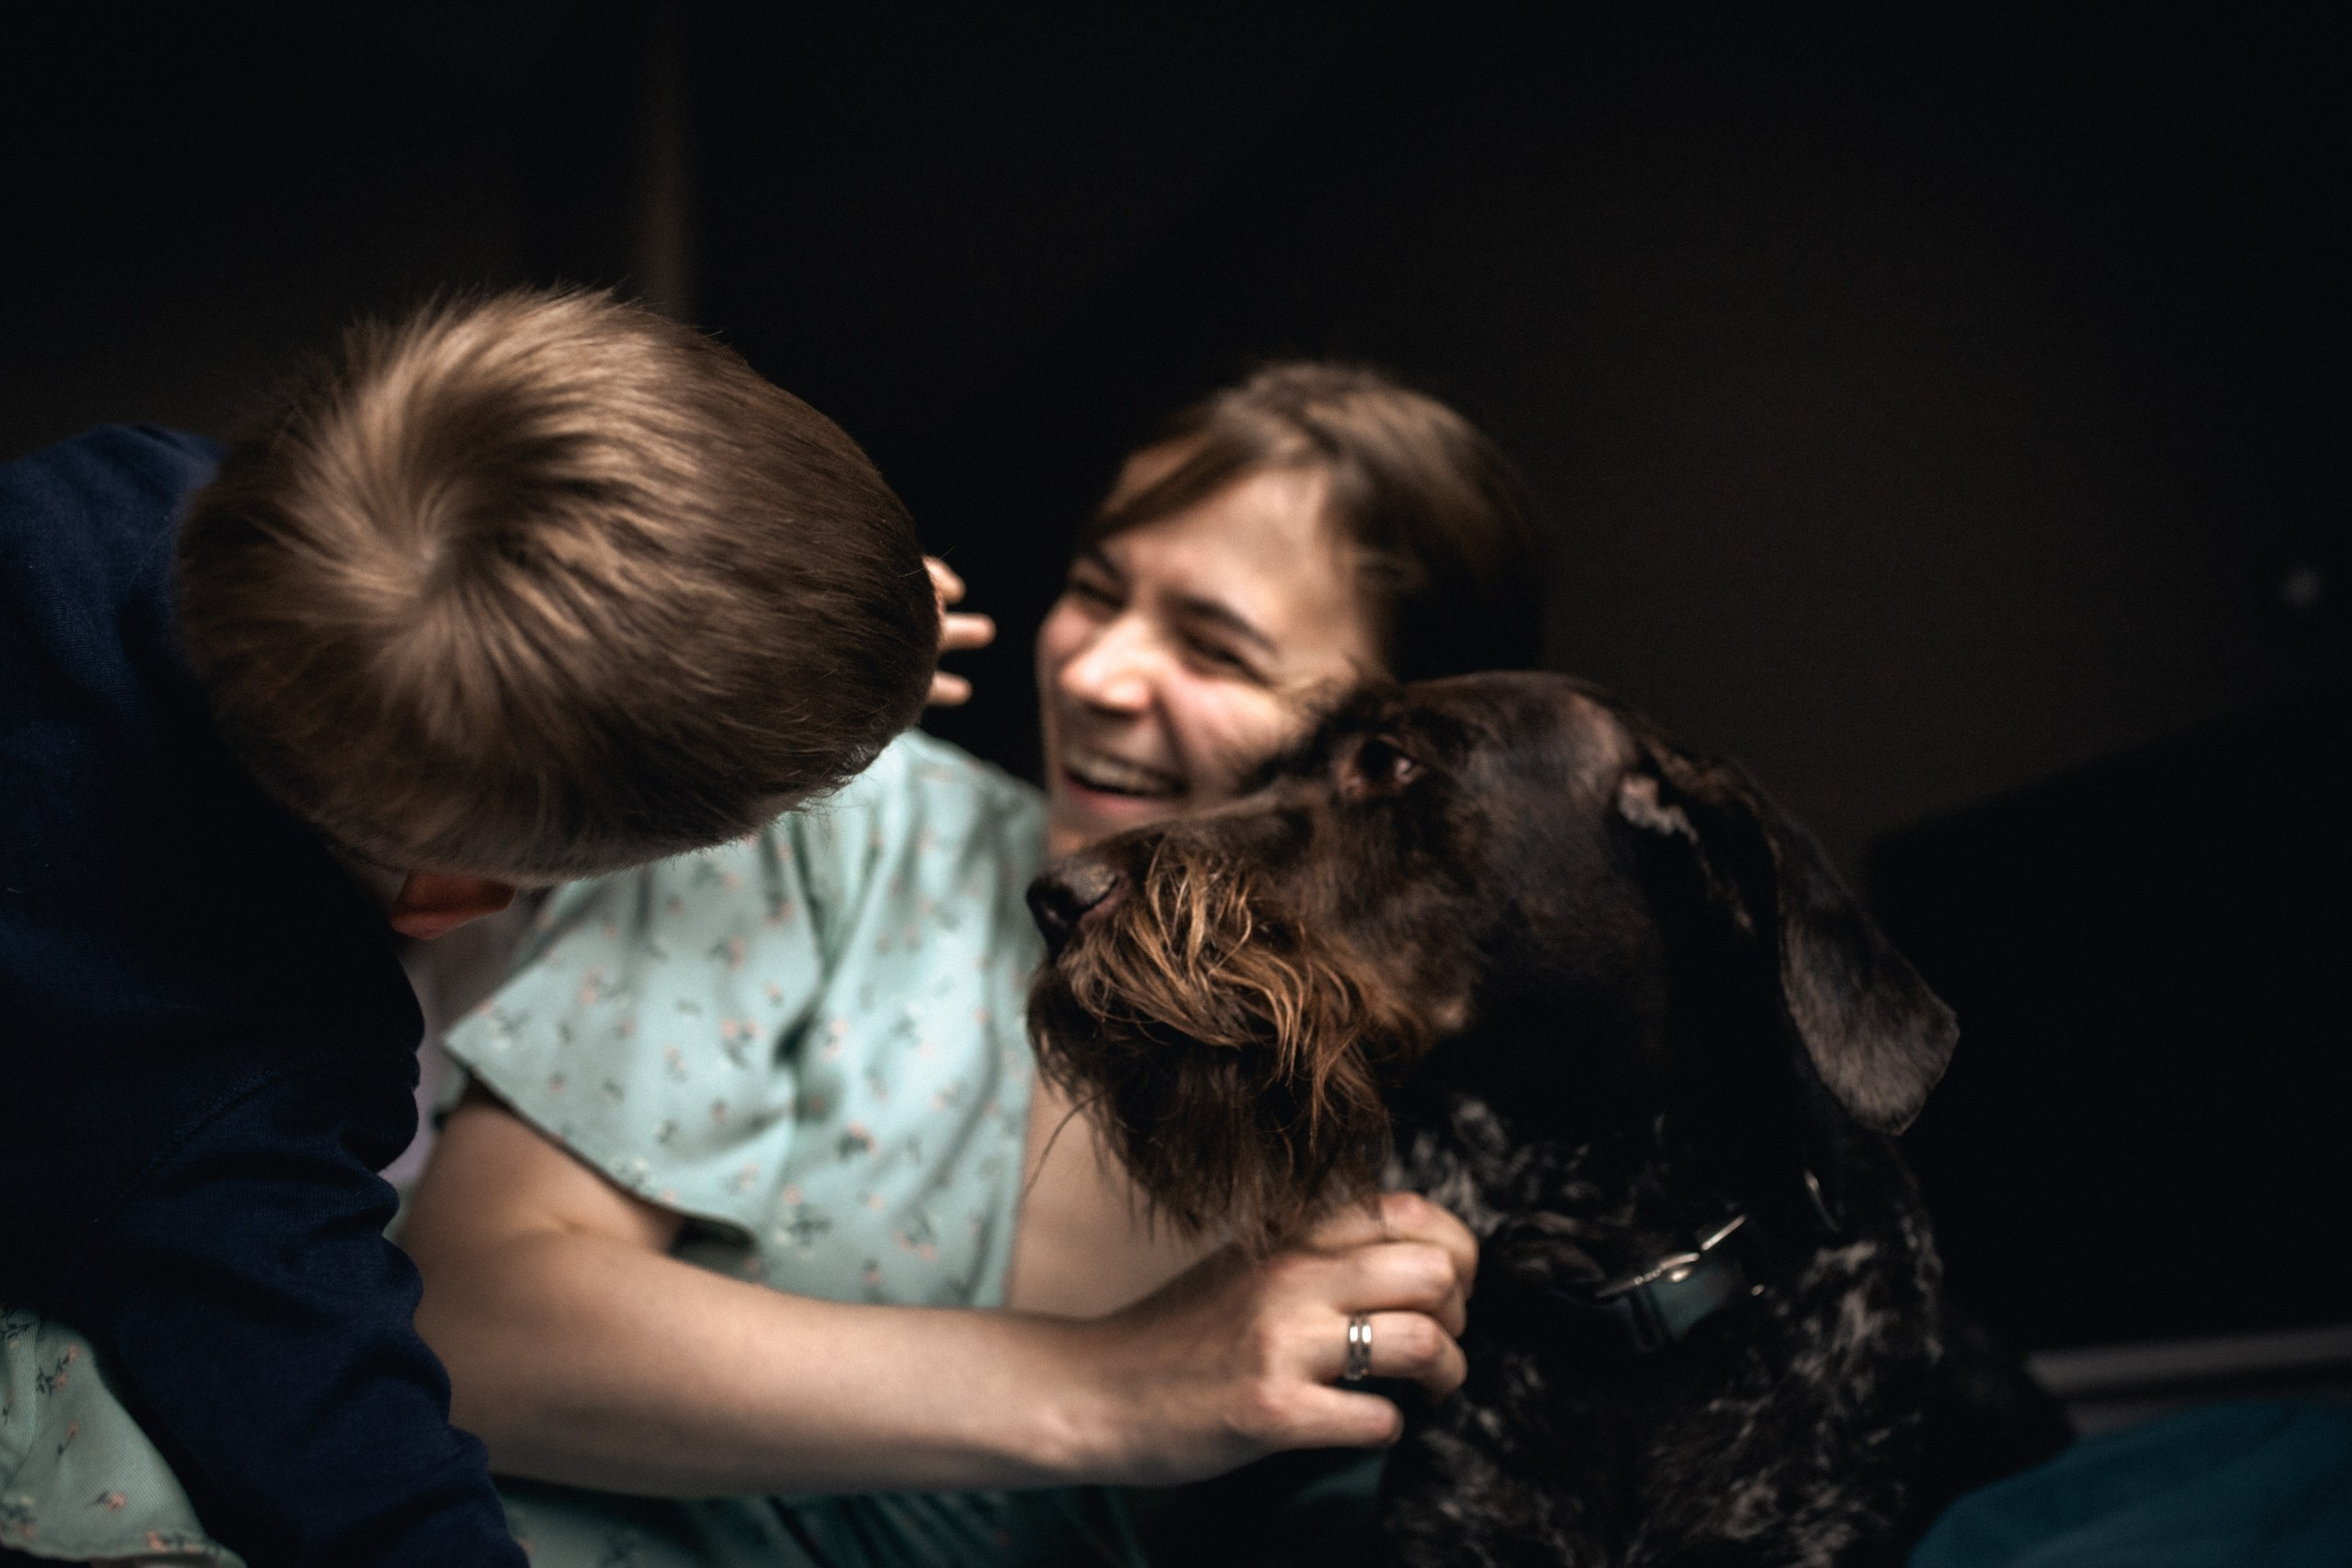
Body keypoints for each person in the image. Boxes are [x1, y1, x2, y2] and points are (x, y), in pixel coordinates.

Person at [396, 362, 1547, 1567]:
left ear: (1386, 754)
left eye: (1214, 651)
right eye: (1096, 593)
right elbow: (470, 1320)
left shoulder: (1450, 1120)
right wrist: (1113, 1389)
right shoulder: (834, 827)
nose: (1095, 675)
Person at [0, 288, 947, 1567]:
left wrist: (759, 658)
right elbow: (355, 1466)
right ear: (450, 894)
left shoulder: (108, 485)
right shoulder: (246, 1104)